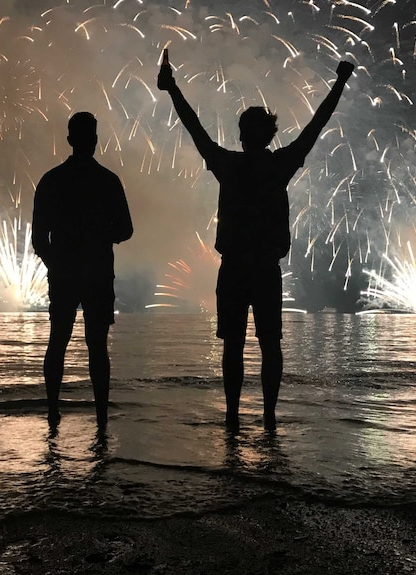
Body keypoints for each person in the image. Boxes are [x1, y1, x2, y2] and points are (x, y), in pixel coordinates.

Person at [157, 53, 354, 431]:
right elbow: (317, 125)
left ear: (243, 135)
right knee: (270, 345)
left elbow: (194, 127)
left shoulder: (227, 165)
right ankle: (268, 416)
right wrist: (340, 84)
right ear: (269, 135)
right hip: (265, 270)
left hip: (233, 270)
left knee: (233, 346)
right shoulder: (278, 165)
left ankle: (233, 415)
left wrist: (173, 89)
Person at [31, 111, 133, 429]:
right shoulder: (108, 181)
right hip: (99, 273)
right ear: (95, 140)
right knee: (97, 346)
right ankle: (101, 415)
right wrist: (102, 236)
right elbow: (126, 230)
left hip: (64, 274)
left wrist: (56, 264)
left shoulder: (51, 181)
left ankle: (52, 410)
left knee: (57, 340)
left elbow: (38, 238)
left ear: (70, 139)